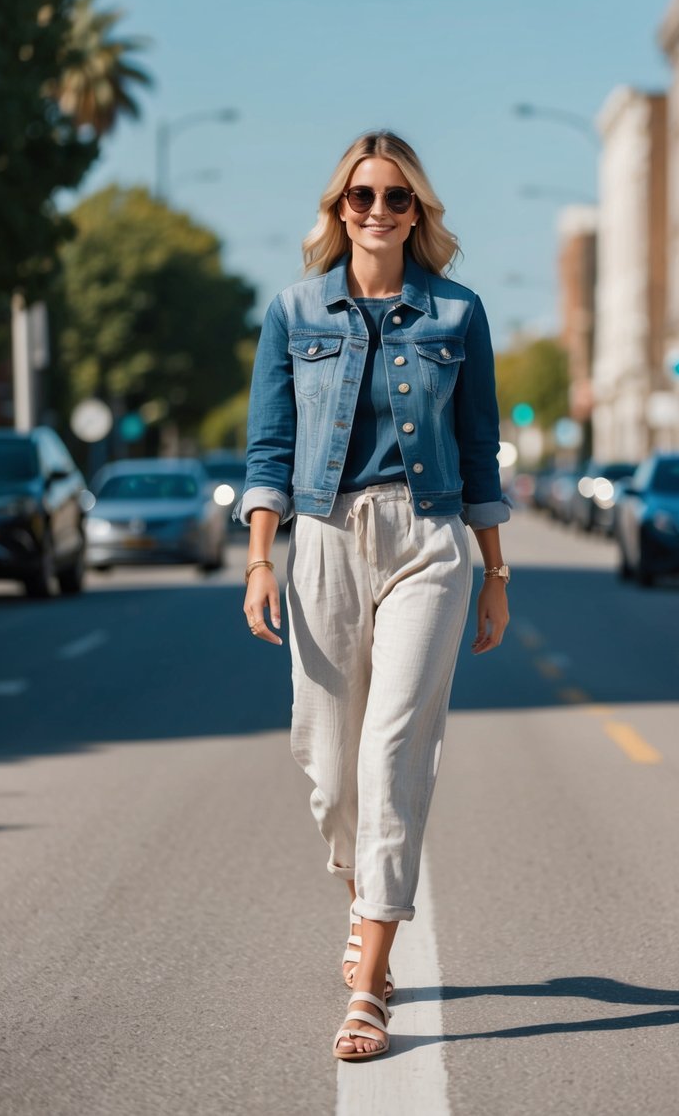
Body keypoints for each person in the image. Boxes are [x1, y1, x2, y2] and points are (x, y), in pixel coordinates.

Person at [238, 130, 511, 1061]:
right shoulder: (292, 310)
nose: (380, 212)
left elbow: (480, 451)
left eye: (398, 199)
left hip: (428, 537)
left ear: (419, 212)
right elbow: (267, 449)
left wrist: (495, 571)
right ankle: (367, 895)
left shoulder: (458, 313)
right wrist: (260, 559)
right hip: (318, 536)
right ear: (337, 209)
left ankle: (368, 976)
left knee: (396, 745)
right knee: (328, 763)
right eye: (363, 197)